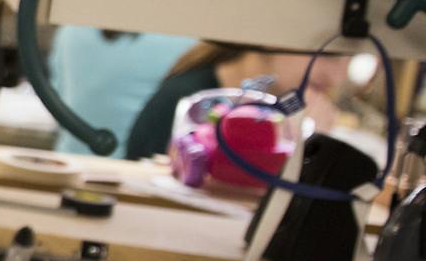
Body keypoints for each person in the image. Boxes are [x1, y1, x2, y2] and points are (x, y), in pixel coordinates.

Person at [121, 41, 343, 161]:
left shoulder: (274, 108)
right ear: (270, 40)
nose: (337, 77)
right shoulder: (186, 102)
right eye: (328, 55)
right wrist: (305, 150)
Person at [49, 27, 196, 158]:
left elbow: (57, 101)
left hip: (67, 163)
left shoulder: (71, 30)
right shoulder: (185, 38)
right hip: (132, 171)